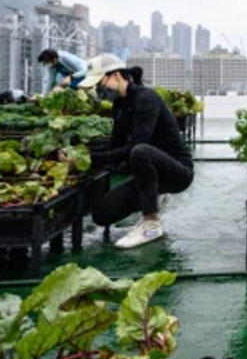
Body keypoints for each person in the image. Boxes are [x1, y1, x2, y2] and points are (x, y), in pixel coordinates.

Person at [81, 54, 194, 249]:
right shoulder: (119, 106)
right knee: (101, 215)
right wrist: (82, 155)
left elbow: (136, 146)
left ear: (116, 76)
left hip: (178, 172)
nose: (99, 90)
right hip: (150, 172)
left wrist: (92, 159)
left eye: (101, 83)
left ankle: (151, 223)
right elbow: (115, 146)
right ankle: (156, 194)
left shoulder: (146, 98)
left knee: (140, 151)